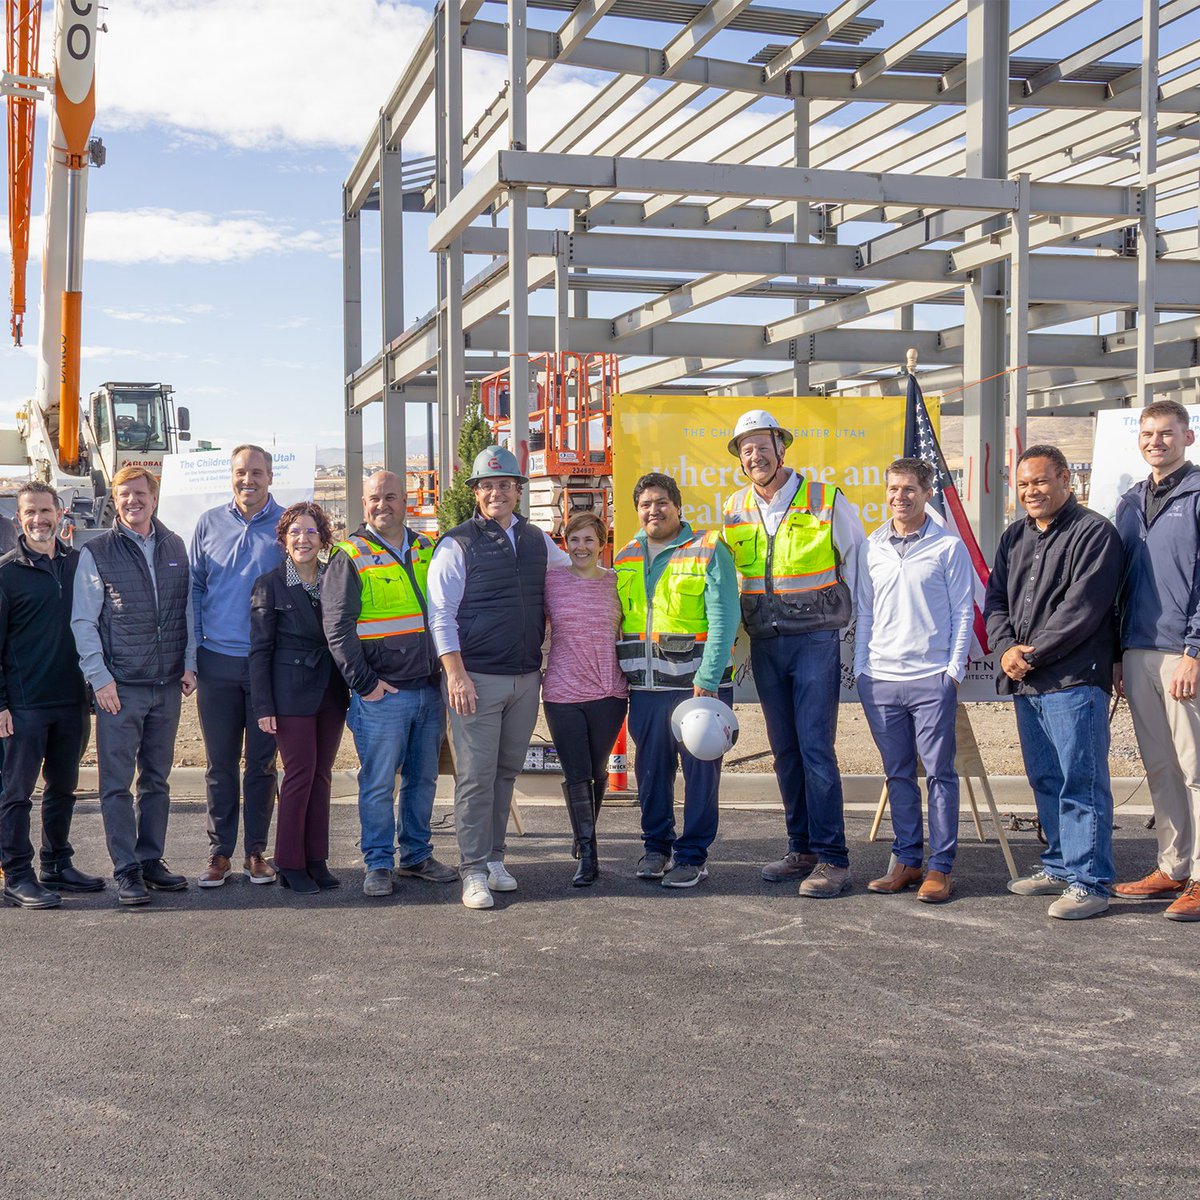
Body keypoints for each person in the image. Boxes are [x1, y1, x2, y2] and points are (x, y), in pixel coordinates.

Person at [720, 410, 864, 899]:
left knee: (815, 749)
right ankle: (800, 847)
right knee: (784, 751)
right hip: (765, 643)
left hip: (815, 641)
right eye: (745, 448)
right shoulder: (735, 509)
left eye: (762, 444)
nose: (754, 455)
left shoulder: (824, 498)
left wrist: (858, 636)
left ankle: (833, 858)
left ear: (782, 447)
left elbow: (859, 566)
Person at [428, 445, 570, 910]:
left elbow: (574, 576)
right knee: (474, 776)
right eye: (487, 486)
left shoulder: (536, 540)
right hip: (476, 679)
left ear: (518, 491)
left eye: (505, 485)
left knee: (506, 770)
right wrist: (456, 674)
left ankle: (493, 858)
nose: (496, 493)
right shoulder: (456, 543)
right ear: (475, 492)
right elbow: (442, 615)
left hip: (526, 677)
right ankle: (471, 871)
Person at [984, 445, 1122, 920]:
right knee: (1046, 778)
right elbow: (996, 600)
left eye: (1040, 482)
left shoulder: (1094, 533)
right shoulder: (1014, 538)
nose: (1031, 492)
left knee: (1080, 783)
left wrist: (1031, 654)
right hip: (1027, 682)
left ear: (1066, 480)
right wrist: (1005, 649)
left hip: (1073, 679)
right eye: (1023, 485)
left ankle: (1090, 883)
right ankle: (1060, 865)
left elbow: (1083, 609)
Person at [322, 471, 456, 896]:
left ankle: (416, 855)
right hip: (383, 696)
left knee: (423, 780)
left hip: (428, 690)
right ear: (364, 504)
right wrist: (365, 685)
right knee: (379, 782)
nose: (384, 505)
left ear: (406, 502)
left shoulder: (427, 549)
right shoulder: (350, 555)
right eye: (376, 498)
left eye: (392, 497)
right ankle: (378, 863)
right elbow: (337, 629)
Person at [72, 466, 195, 906]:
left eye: (139, 493)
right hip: (119, 690)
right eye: (124, 494)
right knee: (117, 785)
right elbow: (83, 621)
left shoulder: (175, 545)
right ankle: (126, 870)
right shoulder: (98, 552)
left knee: (157, 781)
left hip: (166, 686)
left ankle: (150, 862)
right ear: (116, 500)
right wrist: (100, 678)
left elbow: (187, 611)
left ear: (154, 498)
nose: (131, 501)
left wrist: (190, 663)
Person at [854, 458, 975, 904]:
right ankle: (906, 860)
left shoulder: (948, 547)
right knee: (898, 775)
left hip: (931, 679)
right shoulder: (872, 547)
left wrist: (952, 672)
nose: (899, 497)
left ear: (926, 493)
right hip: (881, 680)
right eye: (892, 489)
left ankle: (941, 866)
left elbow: (964, 612)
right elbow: (865, 612)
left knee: (941, 775)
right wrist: (863, 670)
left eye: (908, 489)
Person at [614, 472, 739, 888]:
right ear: (637, 511)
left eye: (662, 502)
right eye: (646, 504)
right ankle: (656, 848)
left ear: (678, 506)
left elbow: (725, 617)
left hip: (697, 688)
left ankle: (693, 856)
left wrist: (707, 677)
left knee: (701, 776)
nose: (654, 510)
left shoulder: (708, 547)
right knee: (651, 773)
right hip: (646, 690)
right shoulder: (626, 555)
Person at [1113, 400, 1200, 920]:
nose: (1155, 442)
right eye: (1148, 434)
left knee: (1197, 768)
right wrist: (1118, 654)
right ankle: (1173, 867)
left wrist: (1195, 650)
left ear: (1187, 438)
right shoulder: (1128, 502)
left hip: (1182, 654)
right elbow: (1119, 583)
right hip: (1137, 649)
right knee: (1161, 767)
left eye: (1166, 433)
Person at [0, 483, 102, 908]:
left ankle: (57, 863)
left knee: (63, 787)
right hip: (24, 705)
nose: (39, 519)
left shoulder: (80, 564)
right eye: (30, 512)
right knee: (16, 793)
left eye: (46, 510)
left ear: (61, 513)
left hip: (71, 700)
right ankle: (17, 873)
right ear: (18, 518)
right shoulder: (5, 573)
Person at [191, 444, 284, 887]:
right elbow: (193, 591)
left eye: (257, 473)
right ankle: (219, 853)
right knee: (219, 764)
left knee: (262, 764)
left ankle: (256, 853)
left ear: (270, 477)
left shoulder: (287, 527)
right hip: (216, 663)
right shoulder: (209, 523)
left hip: (268, 668)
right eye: (241, 473)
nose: (249, 480)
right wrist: (190, 657)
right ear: (231, 476)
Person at [250, 501, 349, 896]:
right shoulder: (269, 585)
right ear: (283, 540)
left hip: (331, 690)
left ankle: (315, 859)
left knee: (322, 777)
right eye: (294, 532)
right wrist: (263, 706)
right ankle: (290, 863)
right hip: (289, 693)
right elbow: (259, 650)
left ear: (323, 538)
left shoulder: (334, 579)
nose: (303, 539)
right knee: (299, 774)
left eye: (310, 532)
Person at [543, 511, 627, 887]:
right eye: (573, 540)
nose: (580, 547)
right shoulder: (551, 582)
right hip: (562, 691)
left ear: (601, 544)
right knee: (576, 773)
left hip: (609, 690)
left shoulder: (616, 582)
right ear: (565, 543)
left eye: (588, 540)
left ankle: (584, 835)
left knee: (596, 772)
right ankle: (588, 854)